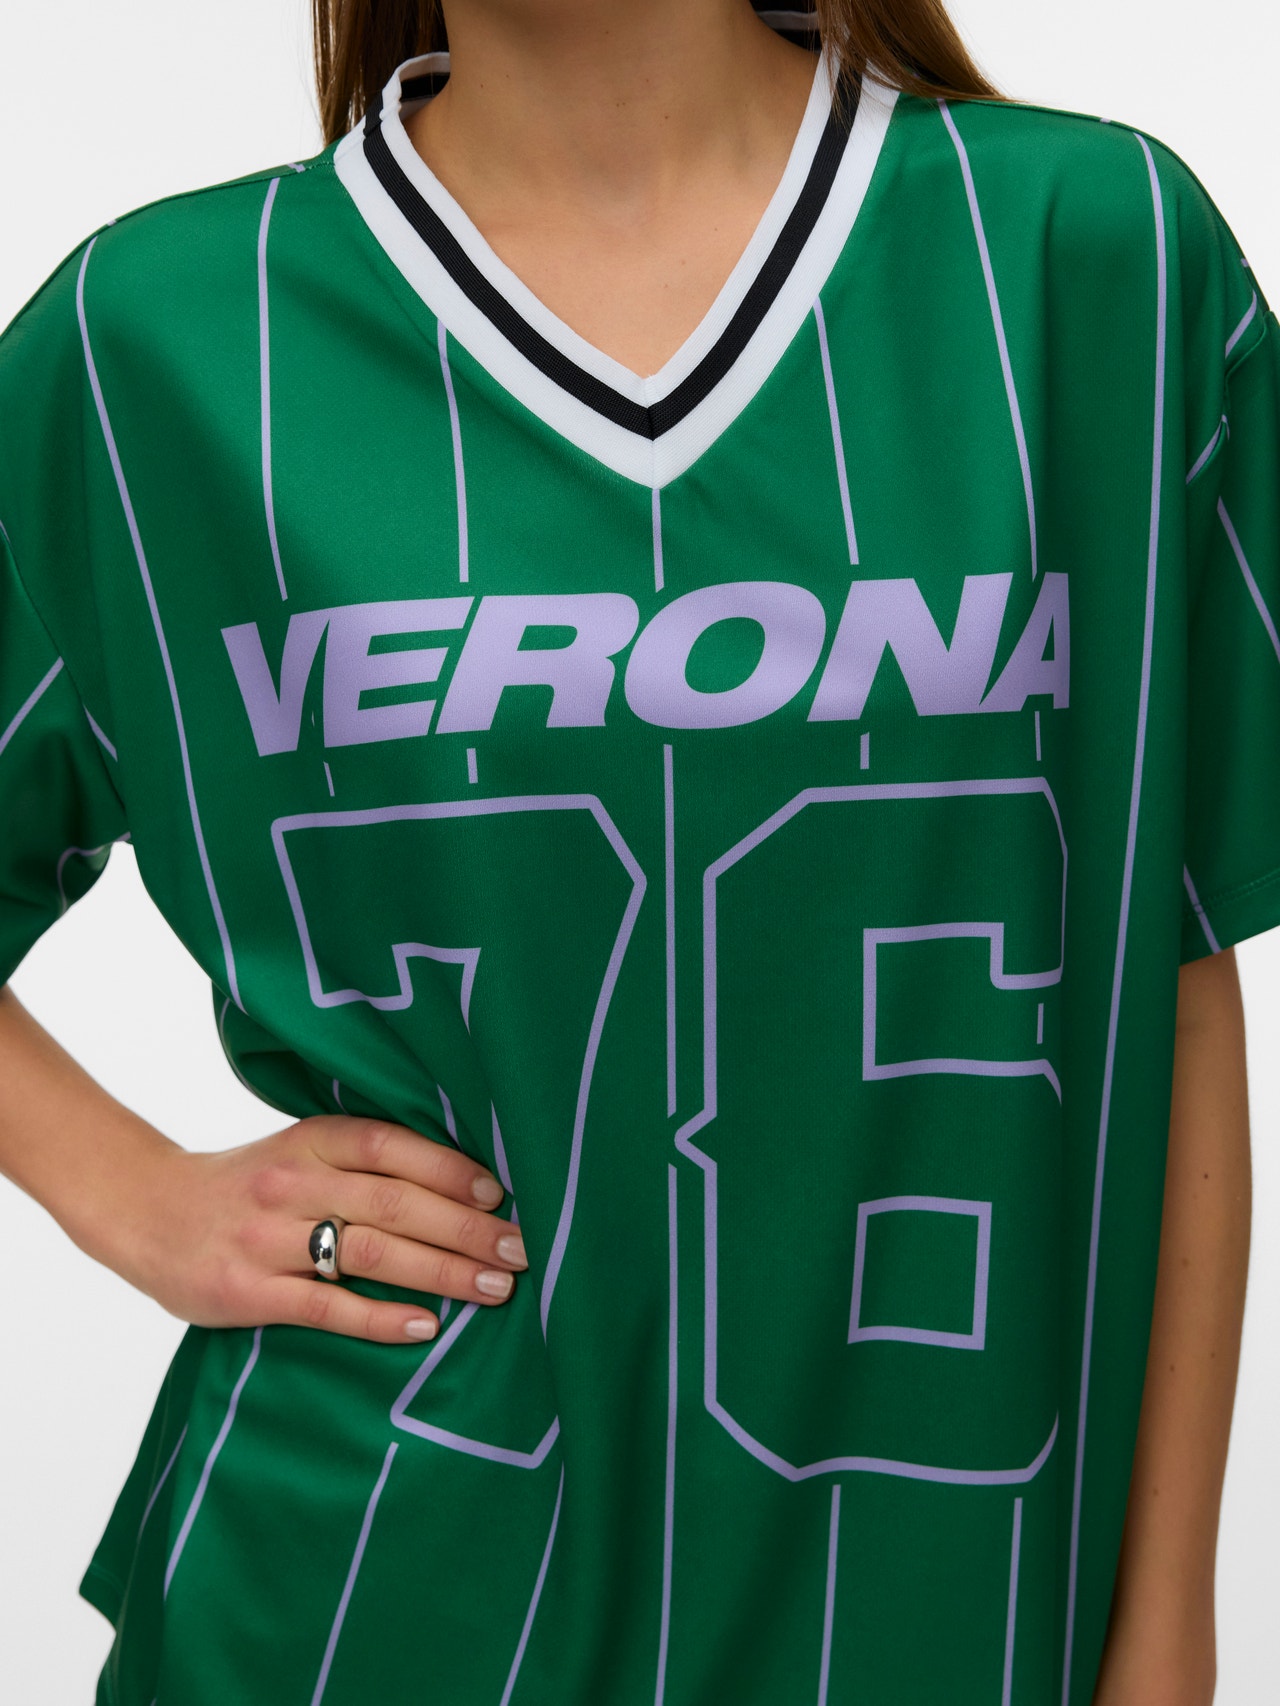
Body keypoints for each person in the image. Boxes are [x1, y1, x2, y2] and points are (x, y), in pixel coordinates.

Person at [0, 0, 1273, 1700]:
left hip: (939, 1616)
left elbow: (1168, 973)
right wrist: (138, 1197)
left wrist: (1166, 1623)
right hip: (362, 1606)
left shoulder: (1087, 255)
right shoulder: (147, 343)